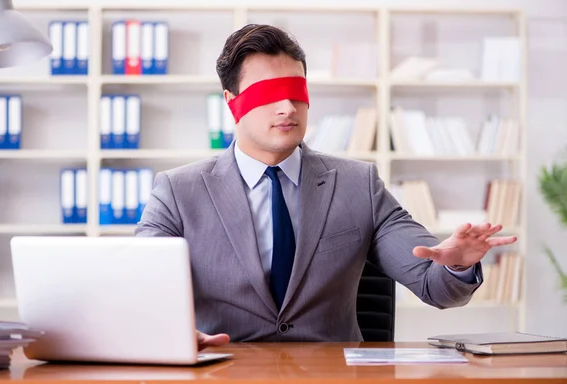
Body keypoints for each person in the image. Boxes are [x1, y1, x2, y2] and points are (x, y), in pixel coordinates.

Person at [135, 24, 517, 350]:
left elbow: (434, 285)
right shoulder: (177, 192)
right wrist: (172, 334)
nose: (286, 107)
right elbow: (139, 292)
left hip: (333, 373)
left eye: (295, 91)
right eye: (267, 93)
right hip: (226, 370)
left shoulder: (358, 185)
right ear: (232, 104)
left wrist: (456, 262)